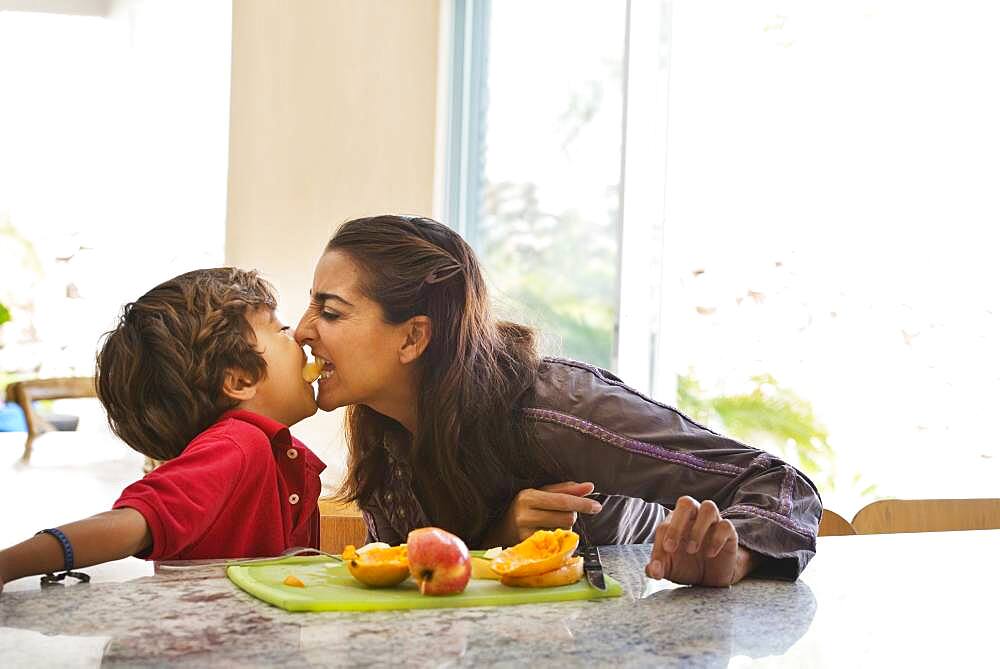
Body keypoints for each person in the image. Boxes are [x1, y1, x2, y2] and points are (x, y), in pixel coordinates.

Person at [295, 215, 822, 587]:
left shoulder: (559, 411)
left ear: (413, 338)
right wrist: (499, 538)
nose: (302, 331)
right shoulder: (383, 429)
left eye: (332, 312)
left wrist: (732, 559)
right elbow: (431, 588)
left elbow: (780, 484)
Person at [0, 268, 323, 592]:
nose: (298, 337)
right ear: (240, 380)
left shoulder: (273, 451)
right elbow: (137, 521)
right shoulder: (237, 444)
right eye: (280, 330)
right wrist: (8, 564)